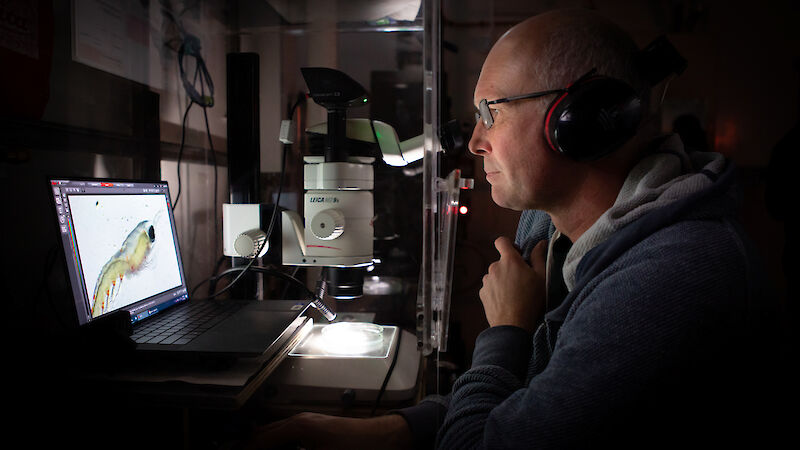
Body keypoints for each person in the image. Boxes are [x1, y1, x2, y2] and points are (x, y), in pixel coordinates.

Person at [245, 8, 786, 449]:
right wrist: (378, 432)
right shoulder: (553, 232)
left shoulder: (673, 278)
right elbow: (526, 402)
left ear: (579, 118)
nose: (476, 141)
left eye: (491, 112)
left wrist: (506, 331)